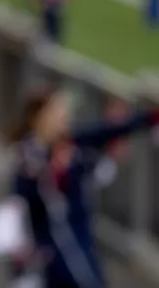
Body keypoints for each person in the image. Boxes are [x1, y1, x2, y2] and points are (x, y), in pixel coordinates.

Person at [9, 87, 159, 288]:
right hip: (53, 255)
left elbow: (109, 131)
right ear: (39, 117)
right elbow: (23, 208)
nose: (65, 116)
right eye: (58, 111)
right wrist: (54, 173)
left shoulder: (70, 143)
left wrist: (150, 117)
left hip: (79, 245)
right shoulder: (27, 159)